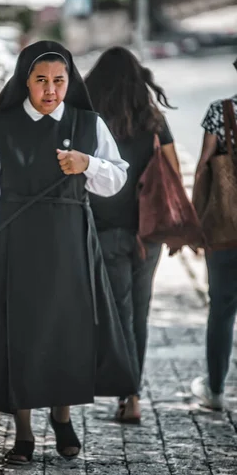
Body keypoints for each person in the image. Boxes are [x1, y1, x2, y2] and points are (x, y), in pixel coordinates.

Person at [0, 40, 136, 465]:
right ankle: (22, 432)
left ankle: (62, 418)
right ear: (26, 82)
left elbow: (118, 178)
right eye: (41, 80)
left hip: (71, 240)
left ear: (69, 82)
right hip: (15, 242)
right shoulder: (2, 126)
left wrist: (86, 164)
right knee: (20, 332)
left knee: (67, 331)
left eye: (59, 80)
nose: (50, 89)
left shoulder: (88, 123)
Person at [84, 46, 180, 424]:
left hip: (103, 229)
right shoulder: (153, 119)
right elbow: (171, 170)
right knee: (139, 312)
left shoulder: (90, 119)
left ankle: (127, 392)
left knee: (119, 313)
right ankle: (132, 394)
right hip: (148, 232)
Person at [191, 58, 237, 410]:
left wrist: (195, 225)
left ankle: (216, 391)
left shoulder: (221, 113)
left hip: (225, 229)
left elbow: (204, 169)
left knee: (221, 308)